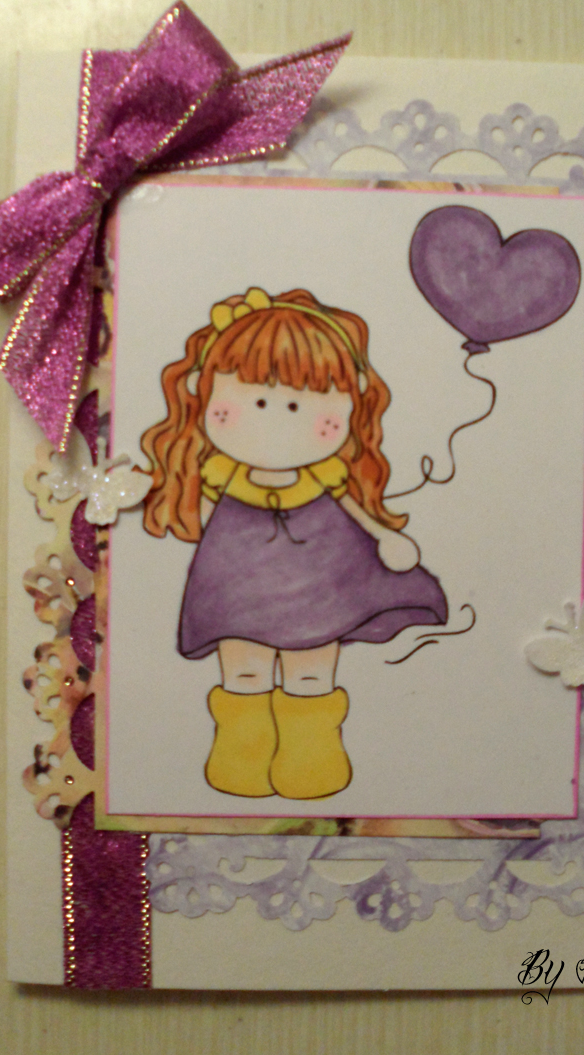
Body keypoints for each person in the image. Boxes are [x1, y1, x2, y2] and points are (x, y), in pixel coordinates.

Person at [141, 287, 447, 800]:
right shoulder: (219, 476)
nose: (277, 418)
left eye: (300, 403)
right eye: (257, 400)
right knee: (243, 670)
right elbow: (195, 508)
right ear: (203, 390)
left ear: (354, 399)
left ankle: (312, 760)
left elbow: (357, 511)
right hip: (237, 587)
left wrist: (385, 537)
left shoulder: (325, 478)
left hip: (319, 585)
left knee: (310, 671)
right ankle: (240, 759)